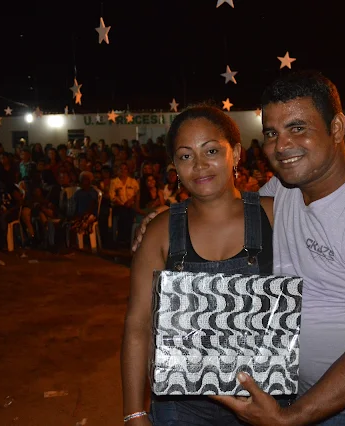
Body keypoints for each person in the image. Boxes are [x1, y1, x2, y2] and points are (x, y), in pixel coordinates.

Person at [214, 72, 345, 425]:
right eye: (271, 133)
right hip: (304, 396)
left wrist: (288, 419)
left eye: (298, 128)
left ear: (336, 128)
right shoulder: (285, 187)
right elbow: (231, 216)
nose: (281, 146)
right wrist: (170, 222)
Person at [121, 105, 275, 426]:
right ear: (175, 166)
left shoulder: (274, 215)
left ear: (236, 153)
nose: (200, 164)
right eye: (186, 156)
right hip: (181, 406)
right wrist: (134, 413)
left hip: (265, 400)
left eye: (211, 151)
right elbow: (138, 325)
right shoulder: (162, 231)